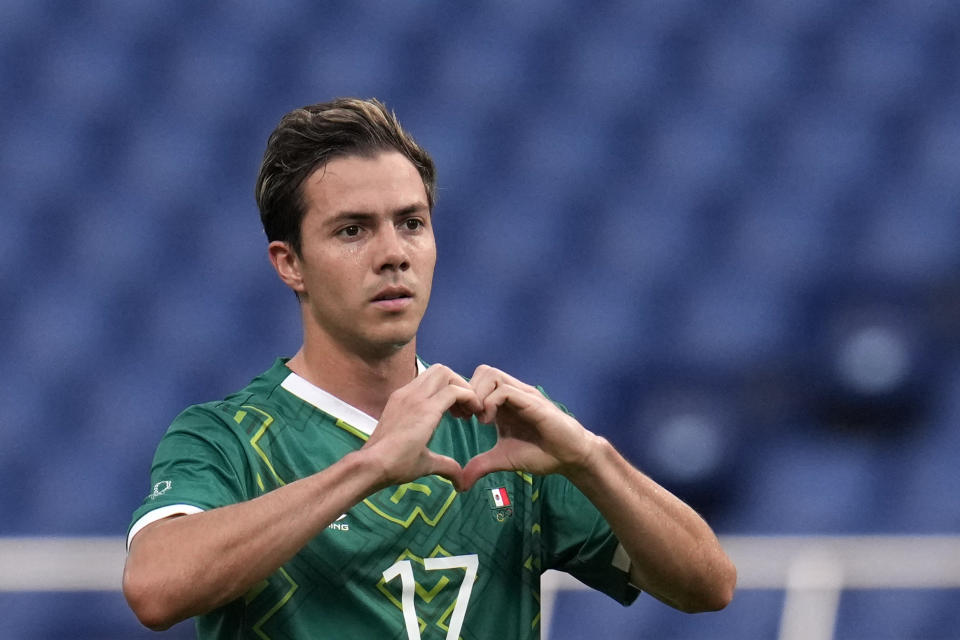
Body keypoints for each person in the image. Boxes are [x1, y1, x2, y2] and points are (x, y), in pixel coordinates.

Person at [123, 97, 736, 639]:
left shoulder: (505, 434)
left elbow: (708, 587)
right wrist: (368, 467)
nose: (393, 254)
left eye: (411, 223)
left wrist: (589, 457)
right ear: (290, 264)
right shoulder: (227, 438)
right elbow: (156, 588)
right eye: (352, 230)